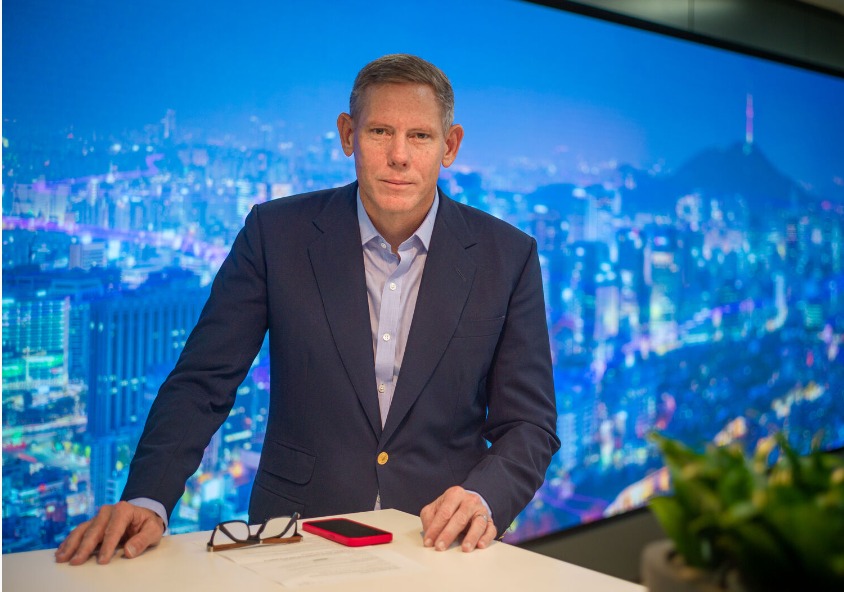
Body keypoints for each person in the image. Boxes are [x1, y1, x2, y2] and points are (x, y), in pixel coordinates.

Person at [55, 53, 559, 565]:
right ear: (348, 135)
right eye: (380, 132)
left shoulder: (507, 257)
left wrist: (483, 497)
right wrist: (148, 498)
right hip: (295, 537)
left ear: (449, 146)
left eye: (420, 136)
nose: (399, 155)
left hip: (440, 544)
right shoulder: (276, 234)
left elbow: (529, 424)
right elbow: (202, 383)